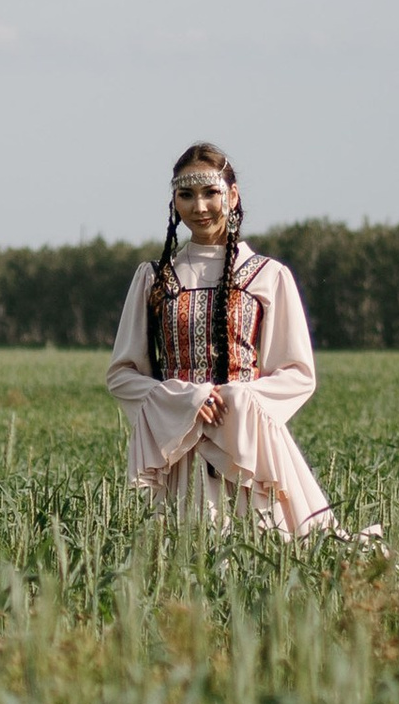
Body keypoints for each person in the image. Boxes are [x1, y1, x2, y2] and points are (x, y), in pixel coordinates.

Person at [105, 143, 340, 537]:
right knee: (185, 563)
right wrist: (185, 400)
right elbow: (123, 375)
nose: (199, 208)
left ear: (232, 195)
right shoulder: (153, 278)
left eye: (210, 193)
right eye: (186, 195)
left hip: (249, 449)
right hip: (181, 451)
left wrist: (239, 399)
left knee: (273, 555)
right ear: (174, 202)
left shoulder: (269, 275)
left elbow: (298, 373)